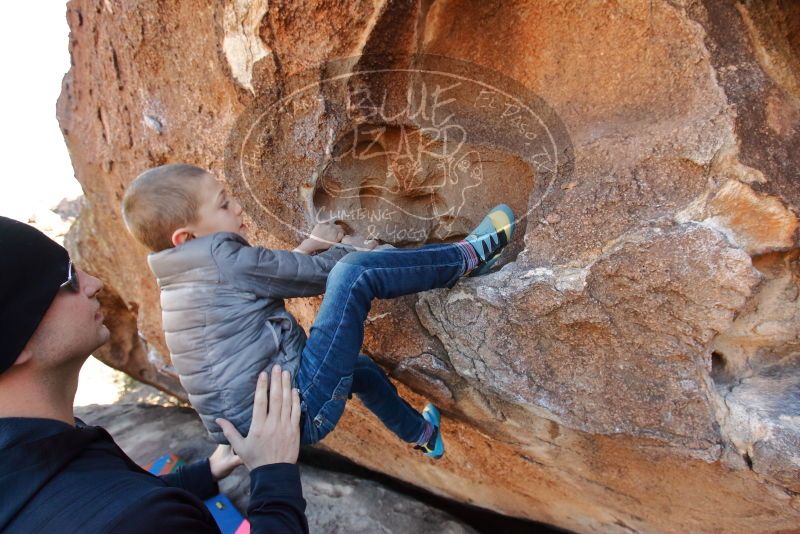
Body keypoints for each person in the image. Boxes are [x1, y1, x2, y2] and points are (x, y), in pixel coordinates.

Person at [121, 163, 515, 461]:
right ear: (186, 237)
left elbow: (261, 283)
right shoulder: (220, 258)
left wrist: (309, 245)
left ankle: (423, 436)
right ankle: (468, 256)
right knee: (355, 274)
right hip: (297, 411)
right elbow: (320, 276)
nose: (237, 206)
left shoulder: (181, 277)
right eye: (223, 204)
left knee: (359, 371)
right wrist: (367, 252)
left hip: (271, 426)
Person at [0, 216, 309, 533]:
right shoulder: (135, 519)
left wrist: (206, 472)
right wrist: (273, 472)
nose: (94, 283)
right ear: (15, 340)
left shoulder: (36, 448)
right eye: (69, 280)